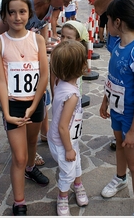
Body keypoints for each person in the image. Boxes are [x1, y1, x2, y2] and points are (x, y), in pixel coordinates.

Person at [0, 0, 50, 216]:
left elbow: (44, 75)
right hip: (14, 105)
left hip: (34, 103)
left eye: (22, 11)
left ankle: (31, 169)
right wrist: (6, 112)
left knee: (32, 144)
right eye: (12, 12)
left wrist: (35, 105)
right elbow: (1, 81)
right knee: (20, 155)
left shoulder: (38, 39)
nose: (17, 17)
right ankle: (19, 201)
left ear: (29, 13)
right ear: (4, 15)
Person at [99, 0, 134, 216]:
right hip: (117, 109)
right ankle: (120, 179)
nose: (107, 23)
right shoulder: (115, 43)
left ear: (118, 22)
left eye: (109, 19)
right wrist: (105, 100)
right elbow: (113, 77)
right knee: (119, 144)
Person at [48, 40, 89, 216]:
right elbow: (63, 127)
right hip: (63, 141)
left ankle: (78, 185)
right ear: (80, 67)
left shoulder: (59, 81)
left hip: (69, 139)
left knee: (76, 162)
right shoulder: (71, 96)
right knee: (67, 171)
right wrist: (68, 149)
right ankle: (63, 196)